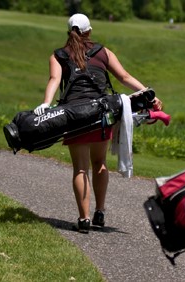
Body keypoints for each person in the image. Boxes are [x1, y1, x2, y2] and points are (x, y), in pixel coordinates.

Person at [34, 13, 162, 234]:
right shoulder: (103, 52)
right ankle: (100, 211)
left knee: (80, 168)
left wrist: (46, 104)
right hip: (101, 114)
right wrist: (149, 94)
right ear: (89, 32)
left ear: (69, 32)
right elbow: (124, 76)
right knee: (100, 162)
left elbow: (54, 80)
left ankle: (83, 219)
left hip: (73, 115)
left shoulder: (58, 55)